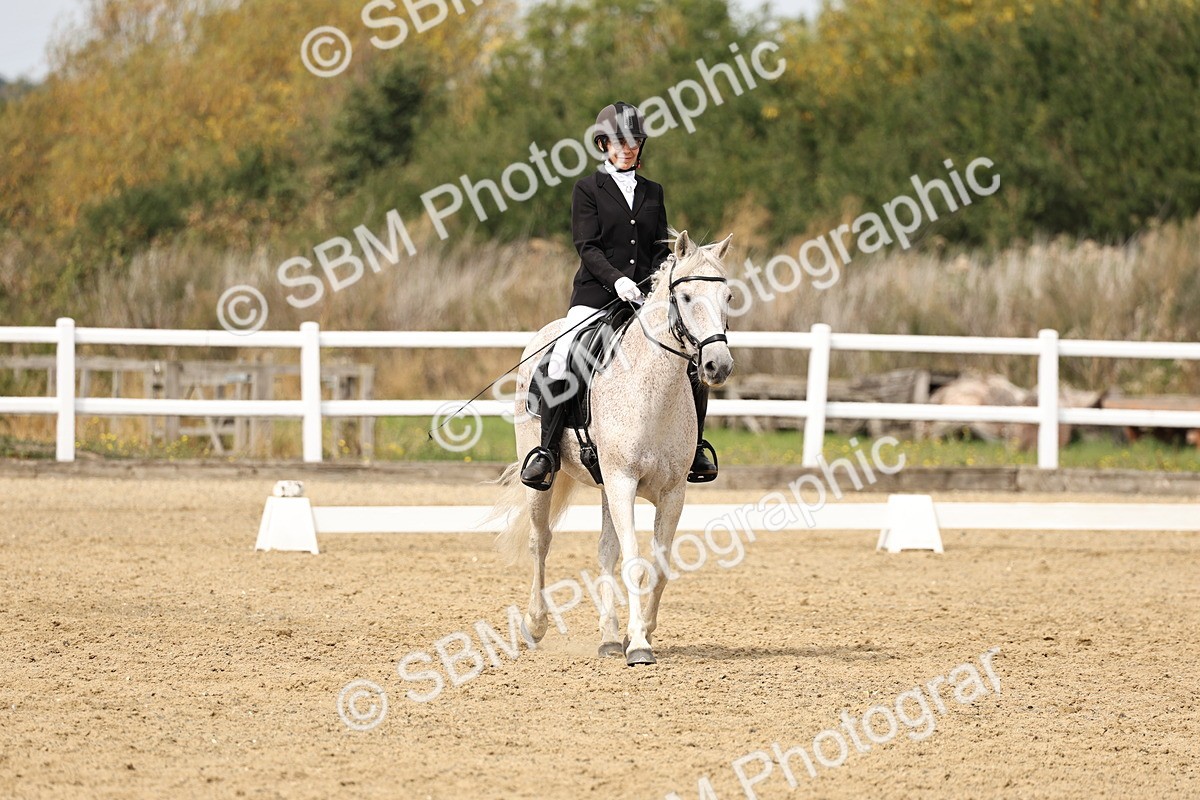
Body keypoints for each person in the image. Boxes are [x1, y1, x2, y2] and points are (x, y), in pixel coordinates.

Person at [519, 101, 718, 491]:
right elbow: (587, 246)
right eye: (620, 142)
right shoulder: (587, 189)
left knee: (691, 361)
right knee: (563, 360)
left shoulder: (653, 192)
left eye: (635, 142)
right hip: (595, 296)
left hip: (646, 301)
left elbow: (660, 249)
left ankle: (695, 448)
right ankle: (546, 452)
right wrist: (617, 281)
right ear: (604, 144)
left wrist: (658, 283)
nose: (628, 148)